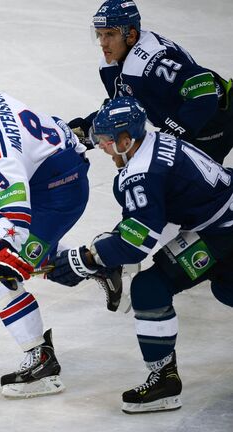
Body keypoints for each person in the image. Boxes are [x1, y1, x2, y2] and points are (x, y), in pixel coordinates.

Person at [0, 81, 122, 399]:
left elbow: (16, 212)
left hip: (57, 193)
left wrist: (2, 250)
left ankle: (41, 362)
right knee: (21, 254)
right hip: (57, 169)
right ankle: (94, 263)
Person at [48, 96, 233, 413]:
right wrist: (102, 252)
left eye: (107, 141)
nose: (103, 147)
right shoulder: (149, 142)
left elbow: (138, 243)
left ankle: (164, 381)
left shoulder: (143, 173)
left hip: (221, 231)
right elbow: (136, 227)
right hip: (218, 221)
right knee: (225, 287)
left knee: (151, 287)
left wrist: (86, 259)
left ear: (125, 139)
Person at [69, 0, 233, 164]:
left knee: (185, 185)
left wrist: (169, 139)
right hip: (194, 120)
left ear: (131, 36)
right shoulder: (111, 65)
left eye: (110, 34)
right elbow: (122, 107)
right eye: (100, 34)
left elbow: (204, 88)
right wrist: (87, 130)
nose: (103, 43)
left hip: (212, 121)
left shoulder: (152, 61)